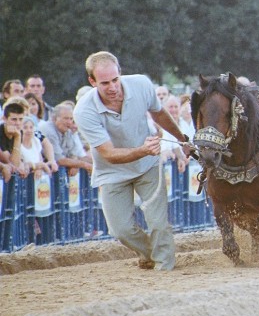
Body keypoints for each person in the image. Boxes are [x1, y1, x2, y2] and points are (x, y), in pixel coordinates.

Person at [74, 51, 190, 271]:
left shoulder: (141, 84)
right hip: (112, 171)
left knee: (158, 222)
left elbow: (159, 113)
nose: (112, 87)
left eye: (115, 79)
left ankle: (165, 268)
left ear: (121, 73)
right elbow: (108, 153)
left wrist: (182, 138)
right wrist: (143, 150)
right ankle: (150, 254)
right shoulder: (83, 111)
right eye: (105, 82)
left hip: (147, 166)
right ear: (92, 81)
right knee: (120, 230)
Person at [39, 103, 93, 176]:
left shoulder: (68, 130)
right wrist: (83, 165)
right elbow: (59, 160)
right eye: (66, 118)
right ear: (54, 119)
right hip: (43, 174)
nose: (69, 122)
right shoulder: (48, 130)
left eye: (71, 119)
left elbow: (74, 154)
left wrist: (75, 164)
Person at [0, 101, 26, 176]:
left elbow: (17, 162)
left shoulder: (19, 132)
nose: (18, 123)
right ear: (4, 119)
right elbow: (13, 164)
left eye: (20, 119)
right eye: (14, 119)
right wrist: (18, 137)